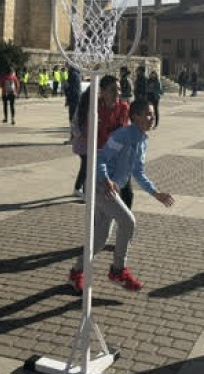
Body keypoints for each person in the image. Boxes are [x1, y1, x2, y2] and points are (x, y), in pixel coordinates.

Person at [68, 98, 175, 293]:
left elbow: (138, 171)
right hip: (101, 186)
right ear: (135, 116)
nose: (152, 118)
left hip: (111, 189)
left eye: (153, 114)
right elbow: (100, 157)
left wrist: (155, 192)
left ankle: (76, 272)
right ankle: (118, 271)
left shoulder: (142, 140)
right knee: (128, 221)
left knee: (99, 239)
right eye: (148, 114)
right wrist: (105, 178)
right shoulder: (123, 135)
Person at [71, 75, 126, 199]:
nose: (117, 93)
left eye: (119, 89)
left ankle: (84, 191)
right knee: (88, 167)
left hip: (101, 148)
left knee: (89, 168)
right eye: (113, 90)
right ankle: (85, 192)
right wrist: (81, 137)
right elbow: (75, 124)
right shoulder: (89, 106)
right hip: (87, 145)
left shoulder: (119, 108)